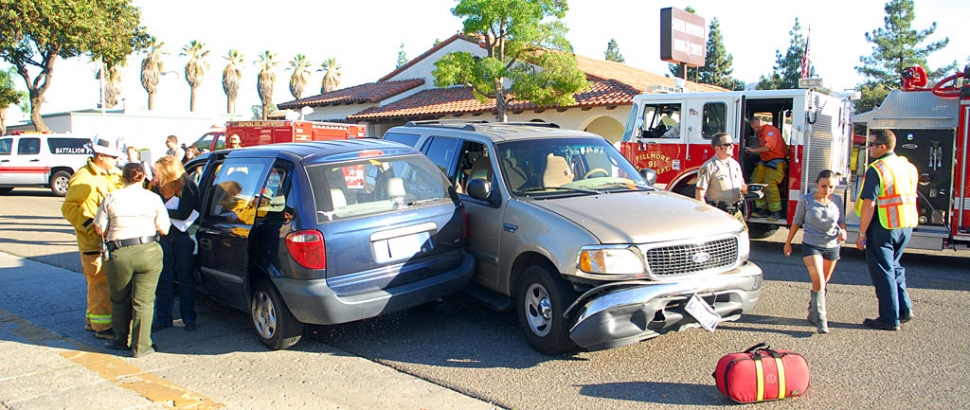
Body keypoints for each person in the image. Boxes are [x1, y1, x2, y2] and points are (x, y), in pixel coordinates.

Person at [94, 163, 170, 358]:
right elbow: (164, 229)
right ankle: (141, 346)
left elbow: (99, 228)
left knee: (119, 299)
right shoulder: (153, 198)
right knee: (144, 302)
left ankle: (121, 340)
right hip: (148, 250)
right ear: (144, 177)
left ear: (123, 177)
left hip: (119, 252)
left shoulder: (111, 197)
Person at [61, 135, 124, 340]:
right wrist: (91, 227)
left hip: (110, 239)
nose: (115, 160)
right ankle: (102, 328)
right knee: (99, 284)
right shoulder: (83, 178)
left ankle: (93, 320)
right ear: (99, 156)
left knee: (101, 284)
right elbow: (70, 208)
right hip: (93, 242)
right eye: (112, 156)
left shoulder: (113, 174)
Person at [855, 130, 919, 331]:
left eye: (871, 144)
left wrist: (862, 233)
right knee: (895, 267)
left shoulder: (878, 169)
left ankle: (889, 318)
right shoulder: (907, 166)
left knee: (883, 272)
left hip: (883, 225)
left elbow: (869, 204)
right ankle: (903, 309)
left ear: (882, 146)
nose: (869, 148)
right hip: (905, 223)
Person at [783, 170, 847, 333]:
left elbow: (842, 222)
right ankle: (821, 318)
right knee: (818, 280)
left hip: (832, 245)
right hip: (811, 244)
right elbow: (797, 221)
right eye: (824, 186)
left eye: (831, 187)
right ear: (816, 185)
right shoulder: (807, 200)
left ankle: (813, 312)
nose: (827, 190)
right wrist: (788, 242)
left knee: (823, 282)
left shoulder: (837, 200)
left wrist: (843, 233)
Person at [151, 155, 201, 332]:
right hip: (163, 236)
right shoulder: (156, 188)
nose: (156, 174)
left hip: (183, 236)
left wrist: (161, 211)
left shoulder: (188, 186)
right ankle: (163, 317)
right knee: (164, 278)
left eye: (159, 171)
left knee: (186, 277)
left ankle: (188, 317)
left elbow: (184, 213)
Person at [695, 132, 748, 229]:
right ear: (717, 148)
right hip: (718, 213)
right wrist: (706, 215)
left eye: (732, 143)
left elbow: (742, 186)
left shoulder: (735, 165)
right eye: (728, 144)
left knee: (743, 236)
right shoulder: (708, 167)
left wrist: (752, 189)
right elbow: (700, 194)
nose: (732, 146)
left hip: (736, 212)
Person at [744, 118, 788, 221]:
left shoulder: (769, 131)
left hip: (777, 161)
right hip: (765, 161)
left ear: (762, 123)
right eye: (754, 128)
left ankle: (775, 211)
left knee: (769, 183)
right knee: (755, 182)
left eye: (757, 127)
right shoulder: (761, 132)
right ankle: (762, 209)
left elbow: (768, 147)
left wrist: (753, 150)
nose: (756, 130)